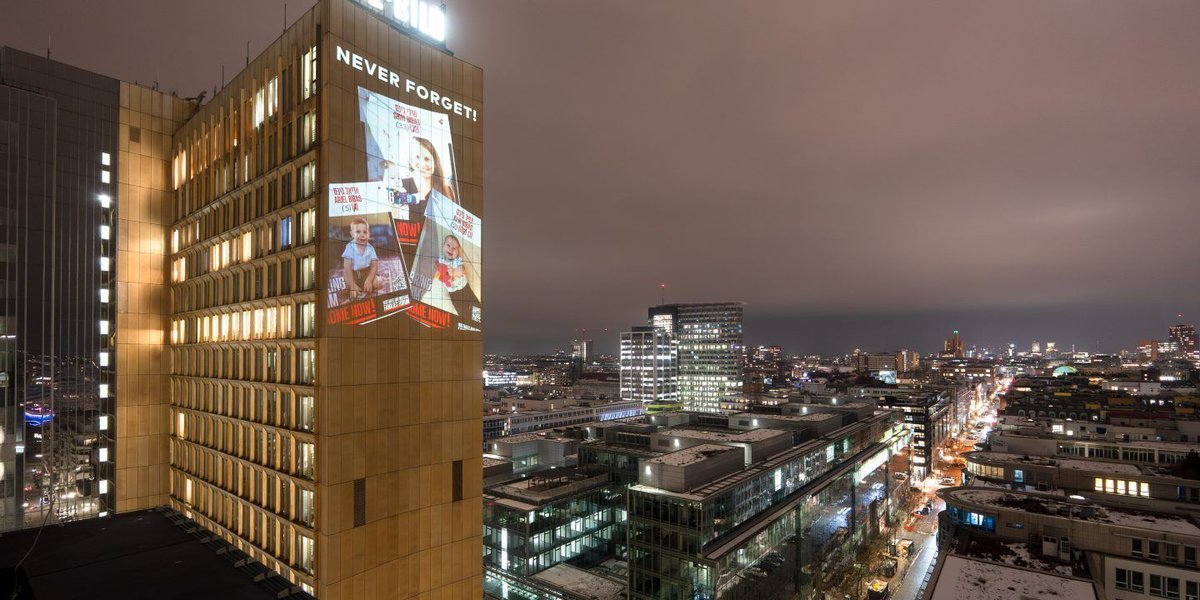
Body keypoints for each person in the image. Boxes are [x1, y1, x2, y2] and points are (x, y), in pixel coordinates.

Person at [341, 218, 384, 298]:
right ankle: (353, 287)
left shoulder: (370, 248)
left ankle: (365, 285)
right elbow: (347, 267)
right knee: (346, 276)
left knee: (378, 283)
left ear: (369, 234)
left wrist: (369, 279)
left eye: (365, 232)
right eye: (358, 232)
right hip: (353, 273)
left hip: (367, 272)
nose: (362, 235)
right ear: (352, 234)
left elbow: (374, 266)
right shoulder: (349, 247)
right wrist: (352, 284)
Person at [407, 136, 457, 206]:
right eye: (417, 157)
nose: (422, 164)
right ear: (411, 160)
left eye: (427, 159)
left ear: (435, 163)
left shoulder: (446, 189)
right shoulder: (401, 185)